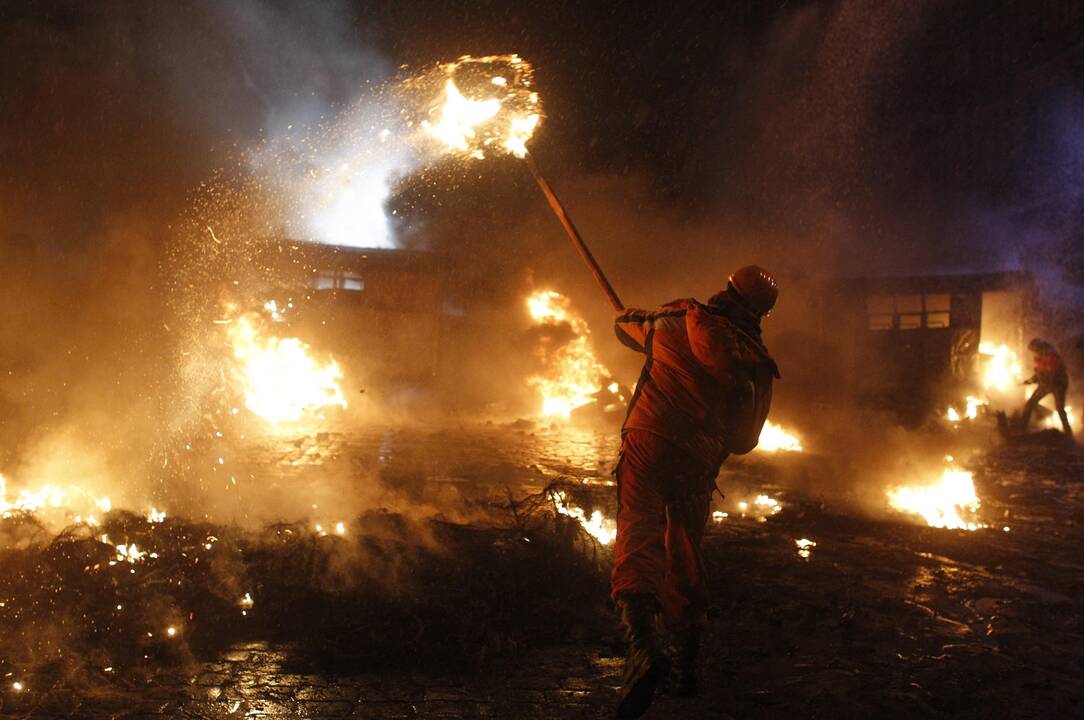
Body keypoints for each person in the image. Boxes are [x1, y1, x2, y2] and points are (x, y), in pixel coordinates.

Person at [610, 265, 780, 719]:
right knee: (684, 551)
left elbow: (624, 327)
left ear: (726, 289)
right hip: (696, 460)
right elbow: (745, 441)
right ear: (763, 312)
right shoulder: (758, 364)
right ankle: (686, 669)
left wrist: (632, 314)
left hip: (648, 440)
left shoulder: (676, 320)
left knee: (638, 534)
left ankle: (642, 645)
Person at [1020, 337, 1072, 435]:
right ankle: (1021, 428)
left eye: (1033, 350)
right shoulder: (1039, 356)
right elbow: (1040, 373)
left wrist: (1042, 383)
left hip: (1058, 385)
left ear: (1038, 348)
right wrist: (1030, 380)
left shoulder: (1050, 355)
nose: (1032, 352)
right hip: (1048, 384)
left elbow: (1051, 374)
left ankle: (1068, 433)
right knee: (1030, 404)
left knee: (1060, 408)